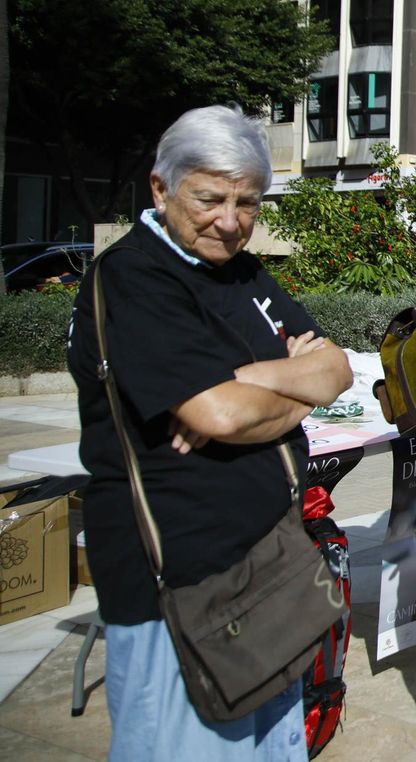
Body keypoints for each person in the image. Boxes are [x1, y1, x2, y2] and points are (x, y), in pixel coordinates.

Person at [70, 106, 355, 762]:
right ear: (161, 189)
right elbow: (219, 417)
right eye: (210, 198)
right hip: (182, 585)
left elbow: (336, 368)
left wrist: (255, 379)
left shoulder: (241, 270)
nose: (230, 221)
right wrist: (287, 379)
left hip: (266, 563)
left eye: (247, 203)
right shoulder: (136, 275)